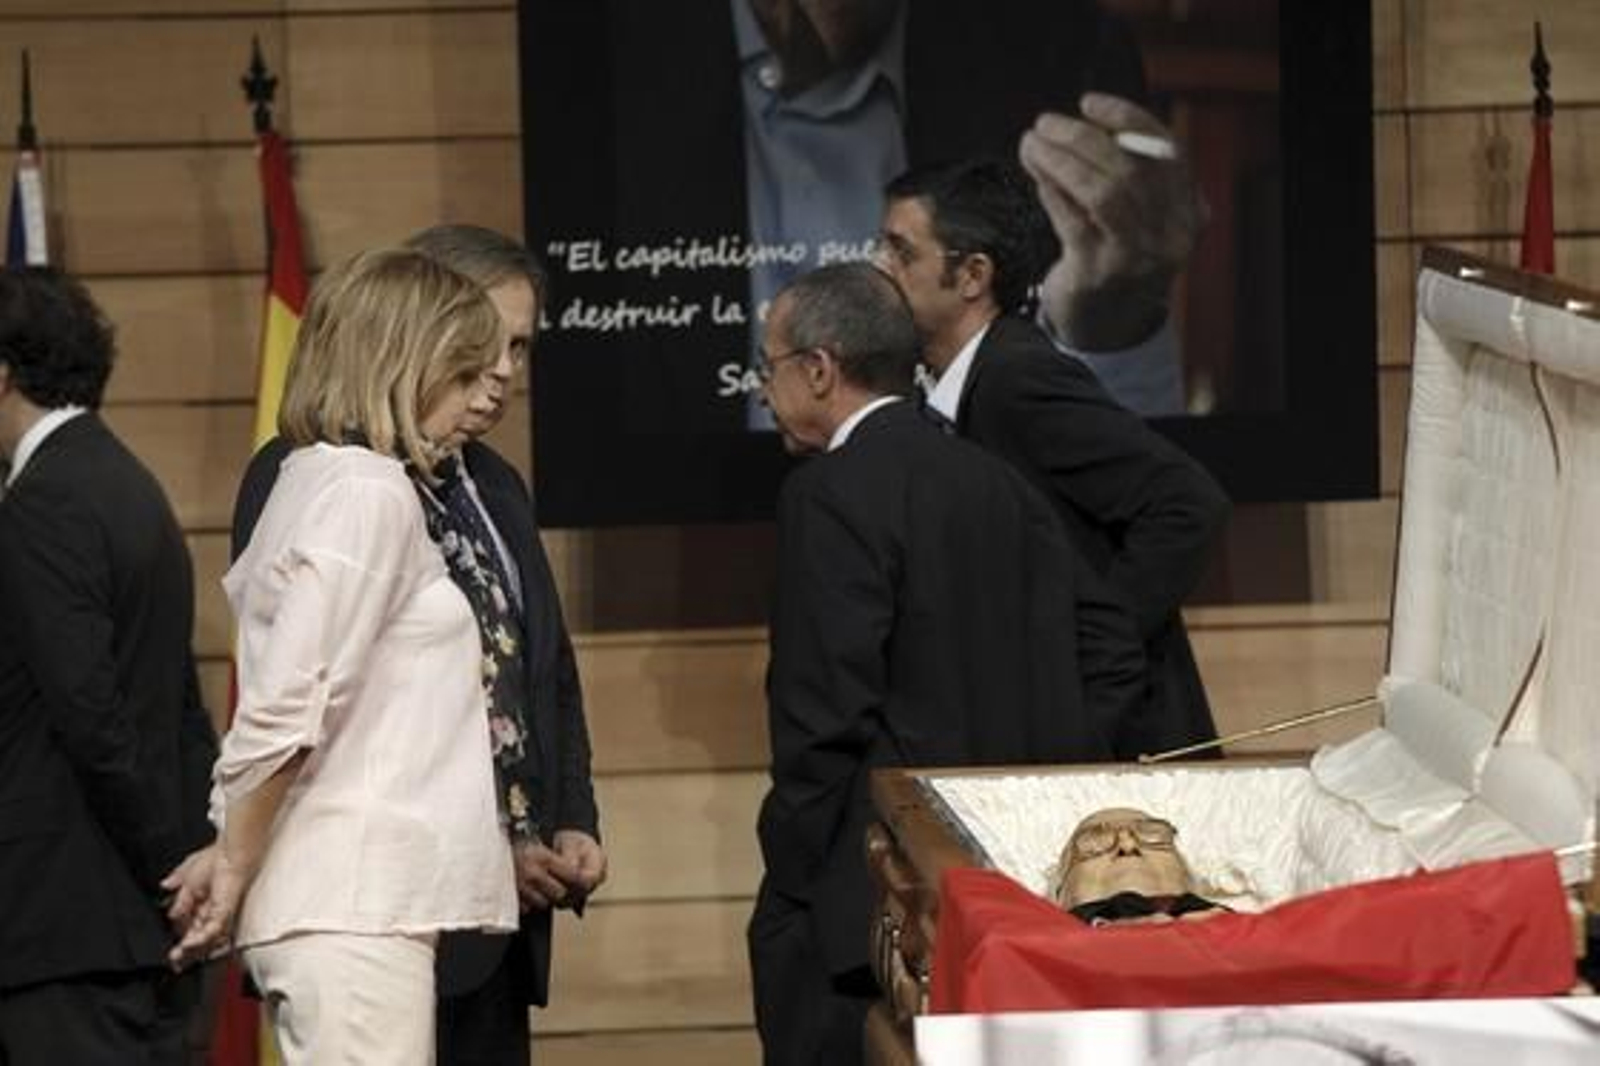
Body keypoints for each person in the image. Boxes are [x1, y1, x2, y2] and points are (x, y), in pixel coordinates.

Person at [518, 0, 1204, 522]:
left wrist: (1111, 325)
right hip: (694, 562)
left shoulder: (1059, 54)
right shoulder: (594, 59)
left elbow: (1127, 493)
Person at [749, 262, 1147, 1066]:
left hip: (868, 899)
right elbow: (1110, 641)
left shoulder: (828, 494)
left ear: (820, 369)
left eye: (770, 366)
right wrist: (1055, 768)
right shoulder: (998, 480)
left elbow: (824, 711)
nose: (764, 389)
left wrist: (793, 862)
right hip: (1014, 886)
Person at [228, 224, 605, 1066]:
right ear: (417, 331)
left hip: (480, 908)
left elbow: (541, 665)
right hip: (375, 889)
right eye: (477, 349)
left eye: (517, 348)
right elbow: (296, 700)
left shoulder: (494, 482)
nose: (499, 373)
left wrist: (567, 817)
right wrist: (229, 857)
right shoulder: (346, 480)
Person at [165, 248, 520, 1065]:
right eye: (464, 373)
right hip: (351, 901)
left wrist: (229, 844)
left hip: (347, 896)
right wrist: (233, 862)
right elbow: (291, 704)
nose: (484, 394)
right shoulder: (365, 490)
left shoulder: (319, 477)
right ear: (403, 362)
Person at [877, 156, 1230, 760]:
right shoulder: (948, 390)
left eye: (900, 252)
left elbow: (1187, 504)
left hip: (1122, 755)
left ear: (972, 275)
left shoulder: (1018, 379)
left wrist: (1086, 656)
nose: (879, 268)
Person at [0, 267, 217, 1064]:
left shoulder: (44, 502)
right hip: (136, 924)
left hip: (69, 927)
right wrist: (186, 866)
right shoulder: (132, 486)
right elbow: (180, 709)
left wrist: (167, 870)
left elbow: (90, 717)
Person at [1050, 807, 1225, 924]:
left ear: (1190, 878)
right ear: (1060, 894)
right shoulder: (1037, 950)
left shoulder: (1236, 935)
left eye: (1151, 834)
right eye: (1095, 841)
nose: (1127, 845)